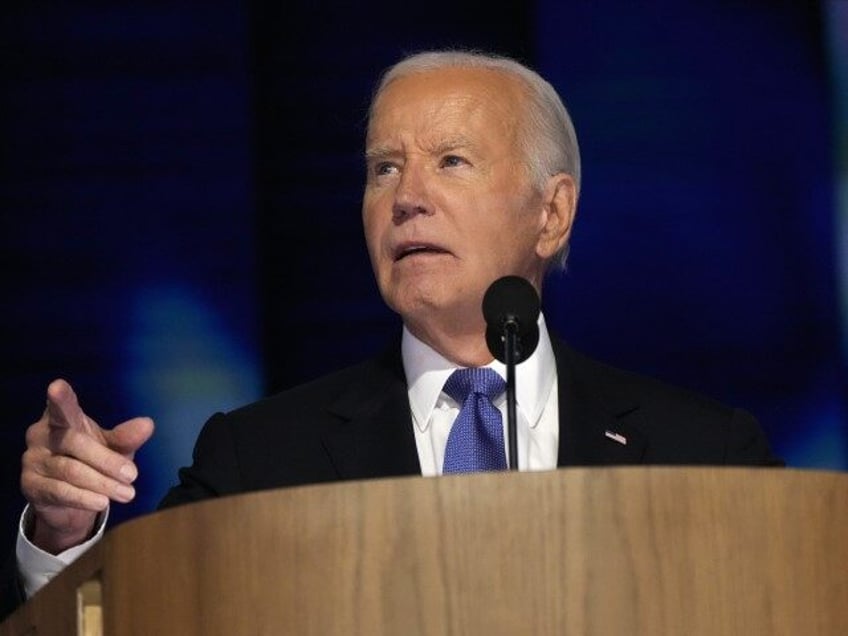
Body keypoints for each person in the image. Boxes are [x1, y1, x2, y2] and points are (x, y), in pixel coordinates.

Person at [0, 49, 782, 619]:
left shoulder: (704, 453)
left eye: (450, 161)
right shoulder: (261, 459)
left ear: (553, 214)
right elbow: (128, 621)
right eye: (382, 169)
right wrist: (63, 535)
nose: (407, 197)